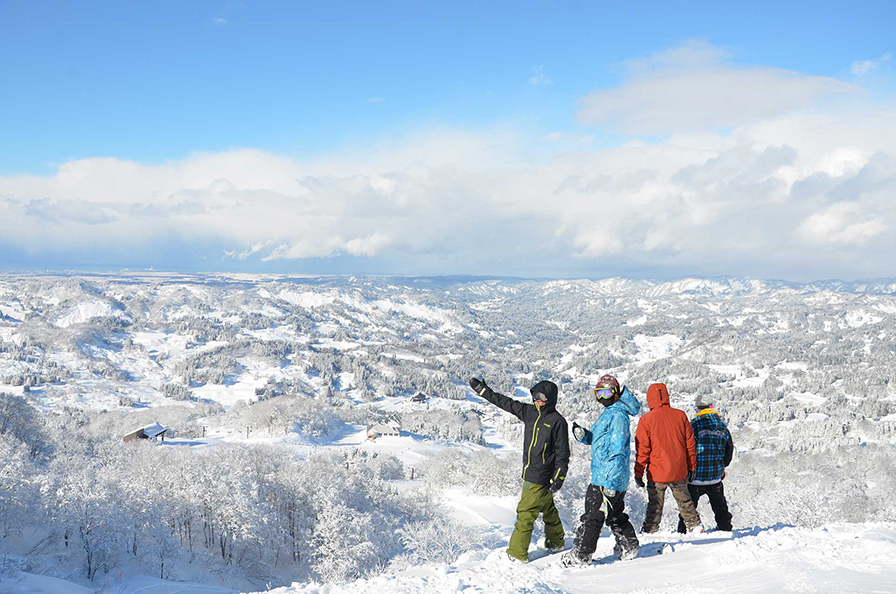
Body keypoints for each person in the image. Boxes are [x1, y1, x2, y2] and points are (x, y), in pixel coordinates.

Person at [470, 377, 570, 563]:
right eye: (535, 398)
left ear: (550, 399)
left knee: (525, 513)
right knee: (547, 508)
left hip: (541, 476)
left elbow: (563, 454)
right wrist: (483, 391)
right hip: (529, 472)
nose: (538, 401)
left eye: (542, 398)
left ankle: (517, 554)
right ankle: (556, 542)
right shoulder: (529, 412)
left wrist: (559, 477)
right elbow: (505, 403)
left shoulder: (557, 422)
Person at [561, 374, 641, 567]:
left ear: (615, 393)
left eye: (605, 392)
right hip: (609, 475)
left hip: (607, 477)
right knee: (614, 514)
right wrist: (584, 436)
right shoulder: (610, 413)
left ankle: (581, 556)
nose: (602, 396)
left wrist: (609, 480)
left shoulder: (618, 416)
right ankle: (629, 546)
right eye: (599, 393)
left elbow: (618, 448)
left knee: (593, 516)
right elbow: (599, 440)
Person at [633, 383, 703, 533]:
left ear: (650, 398)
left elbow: (642, 451)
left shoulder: (646, 420)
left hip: (657, 472)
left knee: (655, 505)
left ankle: (649, 531)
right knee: (685, 502)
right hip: (679, 470)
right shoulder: (680, 415)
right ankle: (695, 526)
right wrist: (692, 467)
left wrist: (638, 474)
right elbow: (690, 445)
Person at [676, 396, 734, 533]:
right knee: (720, 505)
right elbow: (729, 451)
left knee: (689, 508)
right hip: (715, 476)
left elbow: (684, 448)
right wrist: (721, 467)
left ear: (698, 409)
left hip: (695, 477)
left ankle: (683, 531)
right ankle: (725, 528)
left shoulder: (693, 425)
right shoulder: (722, 427)